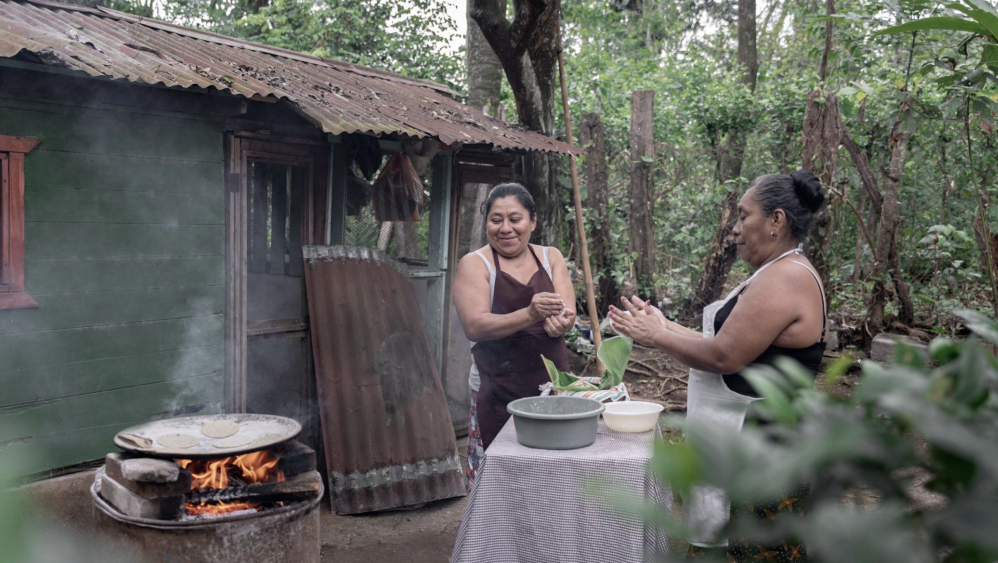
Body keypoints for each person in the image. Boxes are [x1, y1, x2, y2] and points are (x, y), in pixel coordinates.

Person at [609, 170, 827, 562]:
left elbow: (726, 357)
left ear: (776, 221)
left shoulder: (787, 278)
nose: (736, 229)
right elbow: (725, 343)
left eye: (744, 216)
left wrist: (656, 336)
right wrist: (663, 325)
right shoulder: (772, 274)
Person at [453, 183, 577, 490]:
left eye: (515, 219)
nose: (505, 228)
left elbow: (568, 311)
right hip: (497, 388)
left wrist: (562, 322)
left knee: (552, 476)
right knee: (500, 481)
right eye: (496, 220)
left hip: (552, 387)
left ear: (533, 222)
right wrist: (530, 315)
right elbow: (475, 326)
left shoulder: (551, 257)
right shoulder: (475, 264)